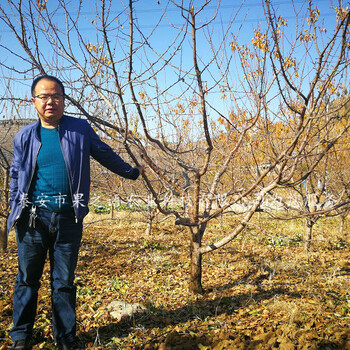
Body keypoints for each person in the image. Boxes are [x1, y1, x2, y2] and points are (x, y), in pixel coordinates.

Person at [7, 75, 145, 350]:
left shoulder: (80, 130)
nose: (50, 102)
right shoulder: (24, 136)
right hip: (33, 220)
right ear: (33, 101)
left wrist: (131, 173)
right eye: (44, 96)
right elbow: (15, 174)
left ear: (64, 100)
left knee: (64, 282)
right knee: (26, 280)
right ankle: (21, 337)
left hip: (69, 218)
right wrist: (15, 205)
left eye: (56, 96)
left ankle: (65, 337)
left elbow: (104, 153)